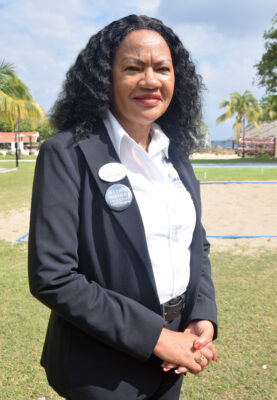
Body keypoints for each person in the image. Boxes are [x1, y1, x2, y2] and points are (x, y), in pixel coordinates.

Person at [28, 14, 218, 400]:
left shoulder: (175, 155)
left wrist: (201, 315)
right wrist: (156, 338)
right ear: (105, 79)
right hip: (101, 372)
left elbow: (195, 244)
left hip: (173, 359)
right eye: (133, 68)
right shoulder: (67, 154)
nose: (151, 80)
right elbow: (53, 276)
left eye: (162, 68)